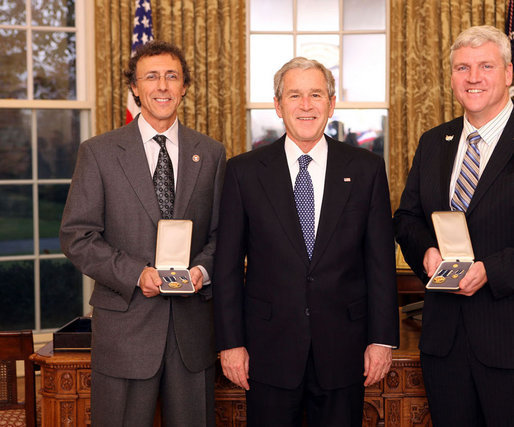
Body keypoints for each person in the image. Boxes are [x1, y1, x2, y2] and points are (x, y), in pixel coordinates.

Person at [213, 57, 399, 426]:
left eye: (316, 94)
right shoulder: (243, 172)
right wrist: (230, 343)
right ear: (278, 105)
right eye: (294, 95)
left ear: (331, 104)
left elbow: (380, 261)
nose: (306, 105)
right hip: (268, 351)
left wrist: (382, 340)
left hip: (345, 350)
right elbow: (227, 266)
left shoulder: (365, 169)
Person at [60, 41, 225, 426]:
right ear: (135, 87)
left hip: (192, 332)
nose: (162, 86)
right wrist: (136, 274)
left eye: (172, 76)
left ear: (185, 86)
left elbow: (223, 234)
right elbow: (77, 235)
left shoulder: (212, 153)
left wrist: (202, 271)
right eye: (151, 76)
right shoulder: (99, 153)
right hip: (125, 329)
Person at [394, 25, 514, 426]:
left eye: (485, 66)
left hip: (507, 342)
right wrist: (426, 253)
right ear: (451, 79)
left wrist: (491, 270)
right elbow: (407, 218)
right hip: (444, 344)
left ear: (509, 73)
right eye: (462, 67)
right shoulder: (433, 142)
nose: (473, 77)